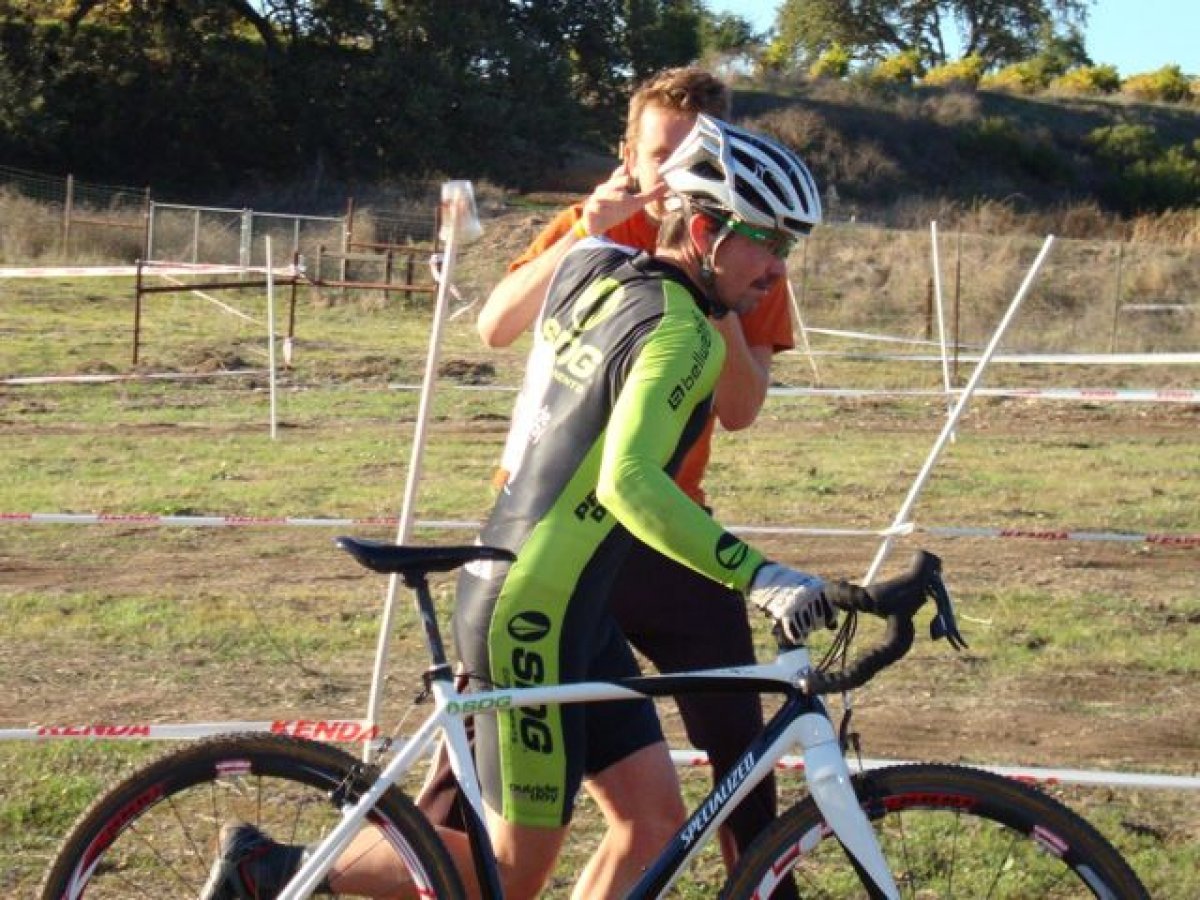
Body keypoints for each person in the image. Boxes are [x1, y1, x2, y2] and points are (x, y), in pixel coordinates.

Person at [200, 114, 833, 899]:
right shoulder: (685, 337)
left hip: (558, 589)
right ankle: (273, 872)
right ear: (703, 228)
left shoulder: (598, 265)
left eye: (789, 247)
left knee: (651, 821)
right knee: (508, 873)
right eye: (767, 242)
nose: (778, 268)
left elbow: (522, 321)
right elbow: (628, 483)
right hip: (534, 611)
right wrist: (759, 573)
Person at [465, 66, 797, 870]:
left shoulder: (747, 250)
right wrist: (588, 229)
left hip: (668, 523)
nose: (675, 170)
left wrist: (715, 294)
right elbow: (495, 327)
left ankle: (761, 881)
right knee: (488, 788)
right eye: (661, 152)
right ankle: (403, 853)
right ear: (628, 151)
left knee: (739, 740)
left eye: (699, 152)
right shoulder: (593, 228)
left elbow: (743, 408)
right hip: (549, 526)